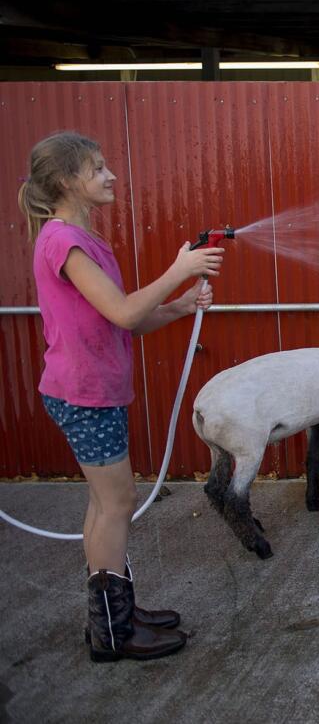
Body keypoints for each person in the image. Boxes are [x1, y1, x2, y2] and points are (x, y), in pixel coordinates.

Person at [16, 131, 225, 662]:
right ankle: (113, 633)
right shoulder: (62, 241)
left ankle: (116, 613)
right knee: (117, 505)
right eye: (98, 168)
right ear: (67, 181)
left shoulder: (84, 240)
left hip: (94, 390)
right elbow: (126, 312)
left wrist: (178, 307)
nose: (110, 176)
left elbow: (124, 321)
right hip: (84, 394)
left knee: (103, 505)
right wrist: (179, 270)